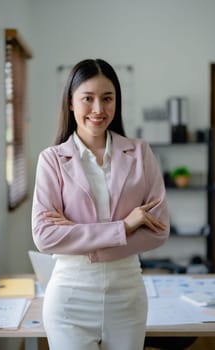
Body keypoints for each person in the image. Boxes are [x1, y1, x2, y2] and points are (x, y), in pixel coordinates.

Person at [31, 58, 170, 350]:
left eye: (107, 98)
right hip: (70, 299)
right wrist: (124, 227)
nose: (98, 109)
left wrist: (78, 236)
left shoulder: (140, 153)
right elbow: (45, 236)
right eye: (87, 99)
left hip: (127, 297)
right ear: (71, 103)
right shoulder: (52, 160)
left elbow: (158, 230)